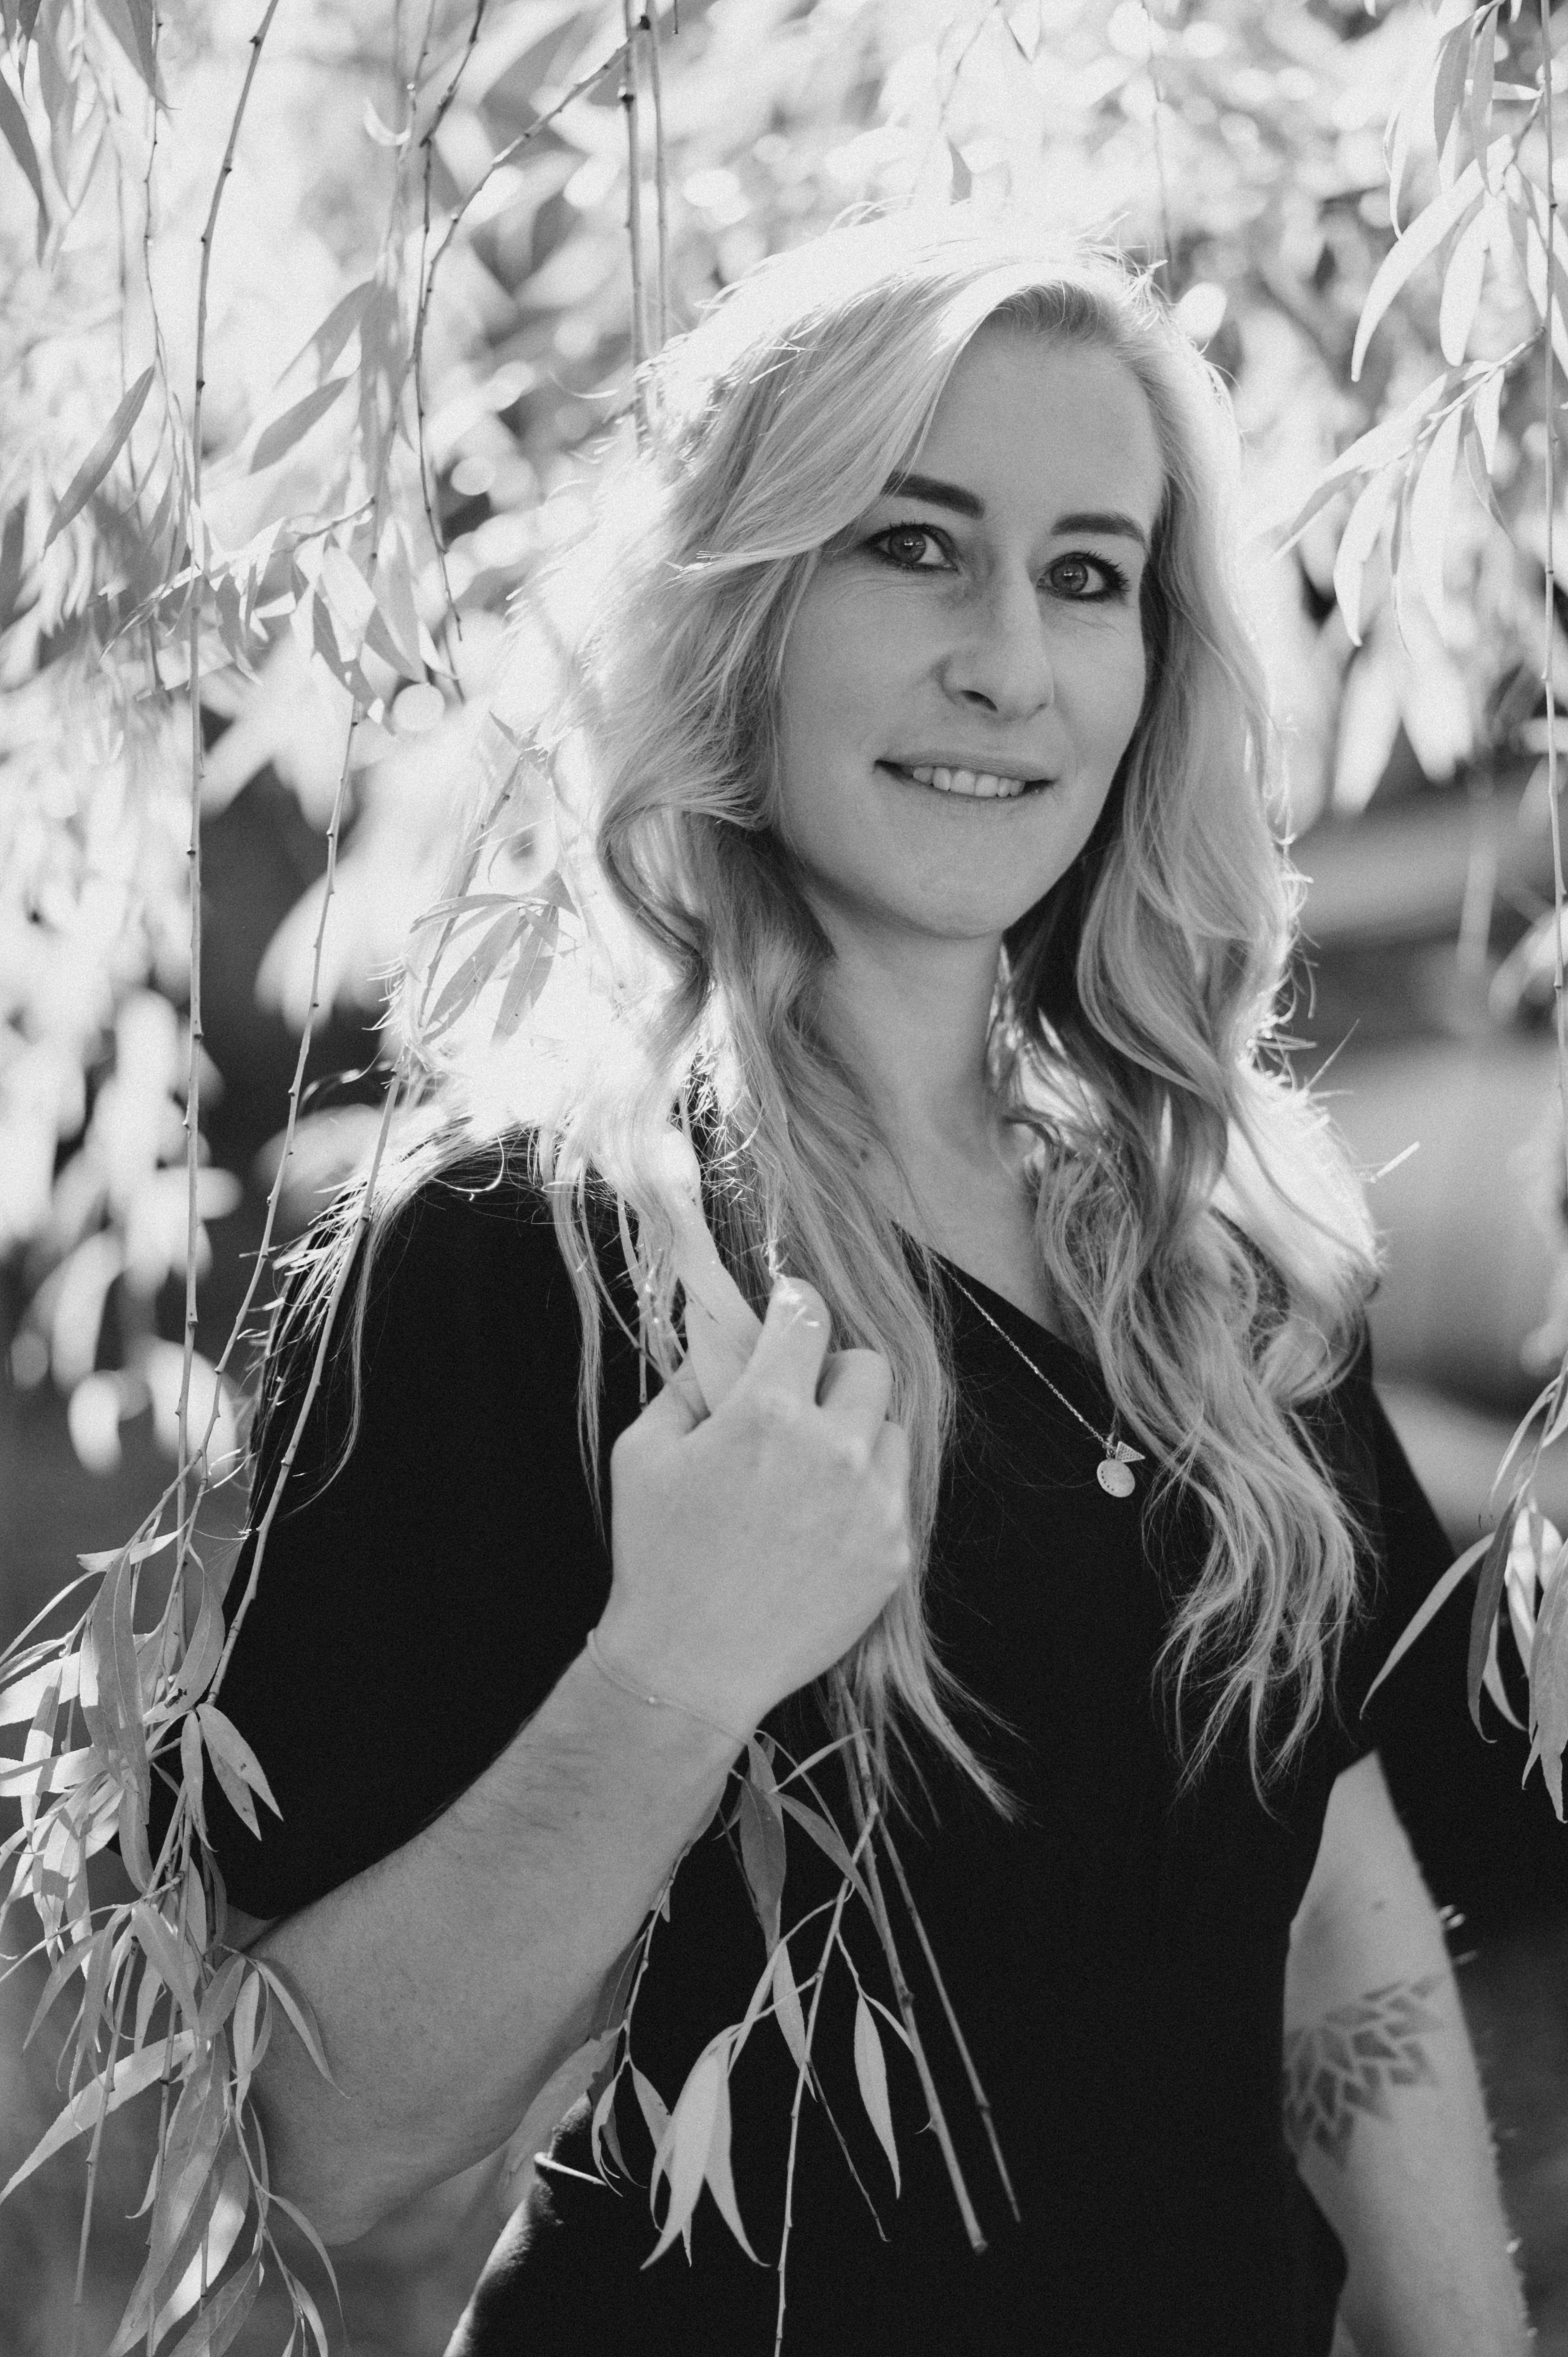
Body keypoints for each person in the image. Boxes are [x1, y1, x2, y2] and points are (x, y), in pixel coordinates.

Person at [202, 214, 1530, 2356]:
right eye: (916, 547)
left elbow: (1323, 1905)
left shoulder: (1216, 1262)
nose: (1011, 659)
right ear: (745, 609)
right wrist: (670, 1676)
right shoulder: (527, 1256)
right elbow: (306, 2144)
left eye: (1086, 574)